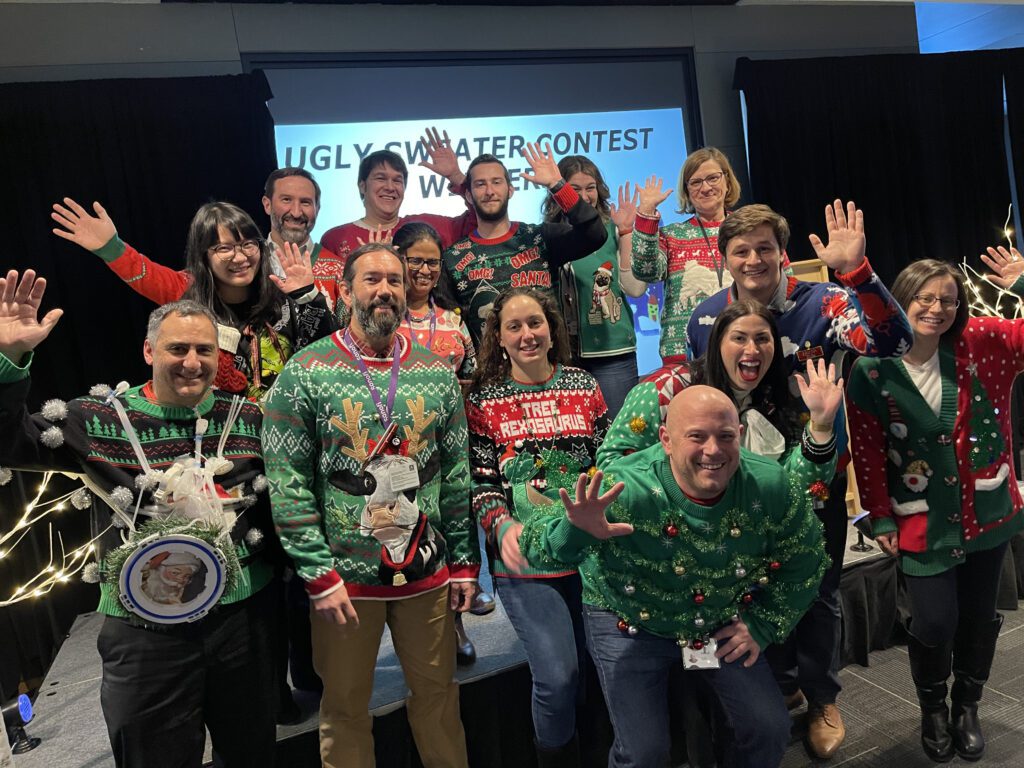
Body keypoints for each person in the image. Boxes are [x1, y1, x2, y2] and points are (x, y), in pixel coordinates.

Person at [0, 283, 279, 768]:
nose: (192, 361)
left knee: (253, 753)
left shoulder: (249, 417)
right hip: (144, 627)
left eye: (204, 350)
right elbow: (8, 444)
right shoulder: (96, 419)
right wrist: (9, 361)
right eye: (177, 348)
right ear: (149, 350)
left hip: (244, 622)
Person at [684, 201, 913, 759]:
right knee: (747, 587)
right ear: (725, 258)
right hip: (736, 487)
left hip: (814, 480)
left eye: (765, 247)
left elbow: (894, 343)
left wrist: (857, 273)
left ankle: (820, 696)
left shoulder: (827, 303)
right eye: (741, 250)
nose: (754, 258)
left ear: (782, 253)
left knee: (816, 590)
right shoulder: (707, 318)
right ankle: (778, 687)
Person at [519, 386, 828, 768]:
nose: (713, 450)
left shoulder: (770, 484)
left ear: (741, 437)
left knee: (768, 727)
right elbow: (537, 547)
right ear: (665, 439)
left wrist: (761, 625)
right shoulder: (623, 486)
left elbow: (806, 558)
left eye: (726, 436)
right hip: (626, 620)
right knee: (644, 753)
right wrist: (575, 530)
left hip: (714, 622)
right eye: (696, 436)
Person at [261, 242, 479, 768]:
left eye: (395, 281)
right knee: (345, 711)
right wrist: (317, 573)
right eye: (372, 280)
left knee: (438, 698)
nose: (385, 290)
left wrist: (465, 563)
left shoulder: (435, 373)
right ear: (345, 291)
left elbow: (455, 475)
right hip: (343, 581)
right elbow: (287, 482)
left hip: (426, 573)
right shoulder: (304, 372)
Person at [847, 252, 1024, 762]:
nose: (937, 308)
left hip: (986, 513)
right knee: (933, 622)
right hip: (920, 518)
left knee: (978, 617)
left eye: (948, 299)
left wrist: (1020, 282)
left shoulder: (983, 343)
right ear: (899, 303)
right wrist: (879, 514)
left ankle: (967, 705)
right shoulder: (873, 369)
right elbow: (869, 447)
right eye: (924, 298)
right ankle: (933, 709)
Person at [464, 287, 609, 767]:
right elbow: (481, 483)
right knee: (559, 676)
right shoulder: (484, 402)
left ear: (552, 329)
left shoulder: (584, 386)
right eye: (514, 326)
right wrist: (499, 523)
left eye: (535, 323)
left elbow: (610, 463)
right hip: (527, 562)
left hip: (593, 556)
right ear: (498, 339)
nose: (527, 334)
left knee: (602, 668)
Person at [51, 199, 337, 400]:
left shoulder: (283, 296)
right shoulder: (186, 291)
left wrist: (307, 296)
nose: (240, 257)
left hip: (283, 430)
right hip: (213, 432)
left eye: (248, 244)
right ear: (204, 255)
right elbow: (143, 272)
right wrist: (111, 248)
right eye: (224, 248)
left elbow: (330, 352)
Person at [391, 221, 493, 664]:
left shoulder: (452, 321)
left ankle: (454, 627)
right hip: (390, 450)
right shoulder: (380, 316)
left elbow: (470, 378)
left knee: (449, 534)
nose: (426, 270)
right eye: (416, 261)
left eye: (433, 262)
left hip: (446, 446)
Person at [442, 144, 608, 346]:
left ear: (510, 190)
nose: (489, 191)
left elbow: (594, 234)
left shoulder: (541, 237)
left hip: (549, 370)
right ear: (468, 195)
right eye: (480, 184)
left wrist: (558, 185)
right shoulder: (453, 258)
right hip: (491, 375)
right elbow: (451, 324)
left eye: (496, 182)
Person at [631, 146, 781, 370]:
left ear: (727, 181)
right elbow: (645, 271)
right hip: (686, 355)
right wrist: (646, 214)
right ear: (687, 190)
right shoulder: (672, 235)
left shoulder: (755, 231)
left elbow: (782, 281)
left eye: (713, 178)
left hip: (749, 351)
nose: (706, 187)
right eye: (696, 182)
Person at [542, 155, 646, 418]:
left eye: (590, 188)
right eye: (574, 189)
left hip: (611, 352)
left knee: (622, 432)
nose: (585, 196)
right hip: (560, 356)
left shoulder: (611, 228)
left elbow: (635, 289)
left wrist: (626, 233)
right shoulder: (545, 235)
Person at [320, 128, 477, 260]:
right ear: (362, 186)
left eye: (397, 181)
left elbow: (481, 222)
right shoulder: (335, 238)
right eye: (381, 178)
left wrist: (457, 177)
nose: (390, 187)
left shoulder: (427, 227)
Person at [262, 166, 347, 317]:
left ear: (318, 209)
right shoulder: (247, 264)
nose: (296, 212)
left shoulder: (340, 271)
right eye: (286, 200)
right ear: (267, 205)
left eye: (305, 202)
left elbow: (347, 335)